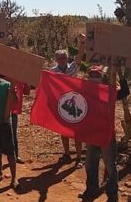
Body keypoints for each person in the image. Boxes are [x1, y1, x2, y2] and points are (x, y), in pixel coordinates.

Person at [80, 65, 130, 202]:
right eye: (92, 75)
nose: (94, 78)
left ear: (102, 77)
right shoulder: (84, 91)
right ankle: (91, 190)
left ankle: (112, 193)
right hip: (91, 135)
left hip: (107, 135)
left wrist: (120, 73)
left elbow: (125, 91)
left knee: (110, 166)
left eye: (97, 75)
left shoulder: (109, 92)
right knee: (90, 164)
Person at [52, 33, 85, 168]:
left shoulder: (72, 67)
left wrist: (82, 43)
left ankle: (78, 158)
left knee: (77, 131)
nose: (62, 60)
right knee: (63, 130)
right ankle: (67, 154)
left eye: (64, 57)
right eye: (59, 58)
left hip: (76, 103)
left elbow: (79, 58)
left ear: (67, 58)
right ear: (56, 59)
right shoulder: (52, 72)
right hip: (62, 105)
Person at [9, 80, 30, 164]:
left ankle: (15, 155)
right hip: (2, 107)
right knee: (2, 131)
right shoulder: (4, 74)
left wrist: (27, 79)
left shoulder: (21, 77)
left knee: (13, 132)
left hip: (14, 109)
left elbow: (27, 92)